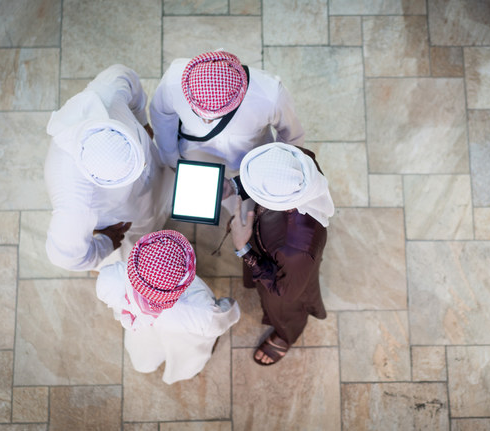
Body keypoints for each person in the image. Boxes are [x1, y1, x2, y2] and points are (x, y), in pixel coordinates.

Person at [45, 64, 174, 271]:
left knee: (162, 183)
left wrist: (141, 121)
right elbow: (65, 257)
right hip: (124, 212)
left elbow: (126, 75)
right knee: (145, 223)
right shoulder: (75, 201)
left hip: (154, 176)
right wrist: (106, 243)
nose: (141, 166)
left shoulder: (106, 95)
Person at [227, 142, 334, 365]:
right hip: (266, 243)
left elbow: (283, 291)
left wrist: (243, 248)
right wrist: (235, 187)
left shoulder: (298, 250)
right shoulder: (297, 161)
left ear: (286, 206)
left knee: (285, 310)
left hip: (285, 279)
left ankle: (286, 335)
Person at [96, 230, 240, 384]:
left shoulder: (111, 278)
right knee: (183, 361)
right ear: (187, 276)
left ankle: (144, 365)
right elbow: (219, 323)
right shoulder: (200, 310)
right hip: (183, 341)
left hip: (142, 335)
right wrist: (229, 304)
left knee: (143, 353)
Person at [149, 50, 305, 172]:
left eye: (215, 117)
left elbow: (291, 136)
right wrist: (171, 159)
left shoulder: (271, 95)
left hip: (249, 164)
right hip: (194, 158)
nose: (206, 121)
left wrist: (269, 172)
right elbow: (161, 117)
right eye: (198, 113)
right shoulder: (173, 82)